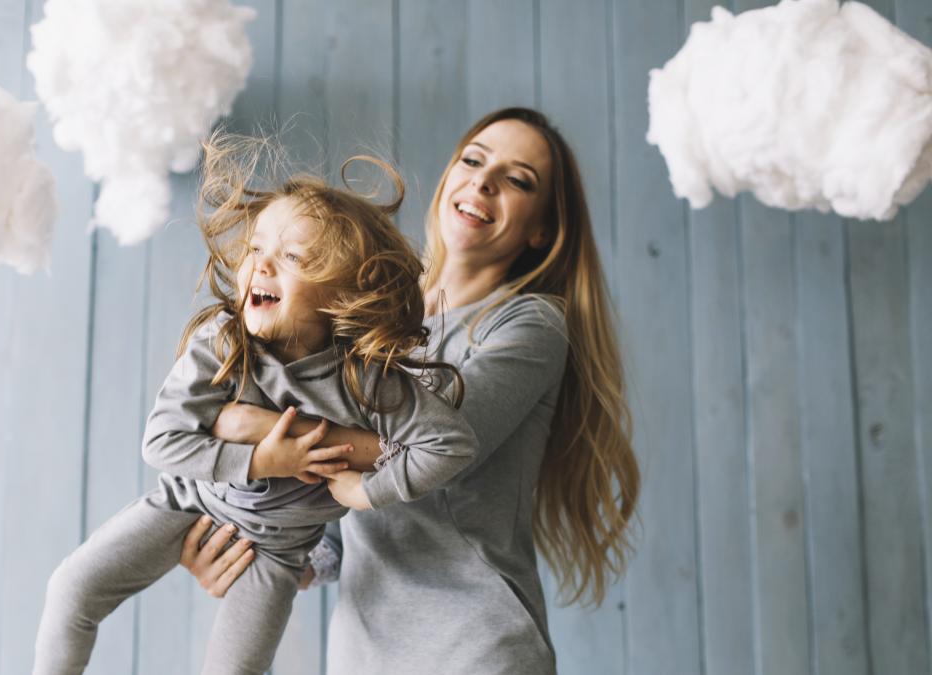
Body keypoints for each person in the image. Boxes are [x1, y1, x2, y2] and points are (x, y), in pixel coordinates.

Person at [182, 108, 640, 674]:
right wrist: (258, 552)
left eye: (518, 179)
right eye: (472, 160)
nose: (483, 180)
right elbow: (344, 510)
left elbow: (449, 447)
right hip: (362, 653)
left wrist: (244, 427)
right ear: (449, 178)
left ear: (540, 229)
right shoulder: (368, 323)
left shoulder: (527, 323)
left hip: (475, 650)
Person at [31, 133, 479, 675]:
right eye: (256, 249)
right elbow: (161, 442)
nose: (261, 266)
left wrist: (365, 490)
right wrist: (263, 461)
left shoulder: (368, 380)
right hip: (189, 503)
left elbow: (451, 445)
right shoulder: (222, 342)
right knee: (70, 590)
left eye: (291, 257)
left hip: (278, 552)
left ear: (340, 295)